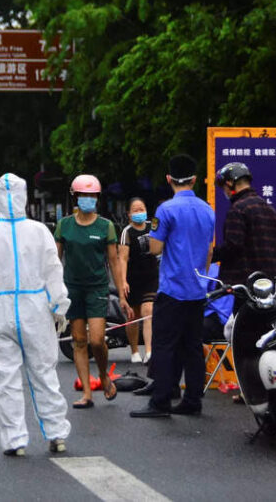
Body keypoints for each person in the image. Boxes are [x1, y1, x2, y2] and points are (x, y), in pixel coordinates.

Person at [0, 173, 72, 456]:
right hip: (36, 309)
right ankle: (56, 433)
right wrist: (59, 306)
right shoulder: (39, 231)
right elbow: (53, 270)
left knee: (5, 378)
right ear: (25, 197)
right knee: (44, 373)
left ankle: (15, 441)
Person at [130, 155, 215, 418]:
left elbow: (155, 247)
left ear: (169, 179)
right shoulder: (208, 210)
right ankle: (192, 401)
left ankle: (161, 401)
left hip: (172, 289)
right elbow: (210, 251)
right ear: (194, 179)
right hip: (198, 289)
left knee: (165, 345)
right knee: (192, 346)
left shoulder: (165, 210)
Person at [54, 174, 131, 409]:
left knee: (97, 340)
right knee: (79, 341)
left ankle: (104, 376)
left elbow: (114, 261)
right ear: (75, 197)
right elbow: (55, 260)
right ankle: (87, 393)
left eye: (92, 196)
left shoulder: (105, 226)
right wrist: (51, 292)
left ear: (97, 198)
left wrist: (122, 293)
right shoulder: (64, 225)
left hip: (97, 288)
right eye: (83, 195)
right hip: (72, 289)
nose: (88, 199)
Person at [211, 162, 276, 315]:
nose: (224, 191)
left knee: (243, 330)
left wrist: (210, 255)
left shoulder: (238, 209)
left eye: (223, 187)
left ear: (230, 183)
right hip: (270, 286)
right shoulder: (270, 209)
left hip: (246, 285)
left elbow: (233, 245)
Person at [117, 198, 158, 364]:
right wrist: (123, 281)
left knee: (148, 311)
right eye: (135, 210)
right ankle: (134, 350)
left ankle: (149, 351)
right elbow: (122, 259)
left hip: (151, 276)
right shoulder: (127, 232)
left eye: (142, 208)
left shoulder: (153, 226)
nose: (139, 212)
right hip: (133, 278)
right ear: (129, 214)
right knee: (133, 316)